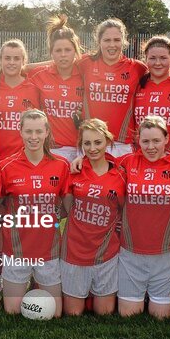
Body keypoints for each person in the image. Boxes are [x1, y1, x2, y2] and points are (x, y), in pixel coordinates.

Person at [0, 109, 68, 316]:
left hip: (48, 250)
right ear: (20, 132)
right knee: (12, 311)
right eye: (28, 131)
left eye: (38, 131)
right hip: (17, 250)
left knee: (55, 313)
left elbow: (68, 206)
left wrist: (50, 218)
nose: (33, 137)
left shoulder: (61, 165)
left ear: (46, 132)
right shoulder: (6, 166)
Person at [117, 116, 170, 319]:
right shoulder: (126, 162)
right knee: (128, 314)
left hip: (167, 252)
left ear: (167, 139)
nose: (151, 147)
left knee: (161, 317)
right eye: (145, 141)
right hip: (131, 251)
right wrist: (79, 160)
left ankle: (156, 296)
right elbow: (98, 162)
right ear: (138, 141)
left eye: (156, 141)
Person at [60, 119, 125, 316]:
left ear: (108, 142)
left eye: (98, 142)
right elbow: (68, 209)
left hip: (106, 253)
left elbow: (122, 211)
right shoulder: (74, 171)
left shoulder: (120, 174)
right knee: (73, 314)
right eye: (87, 143)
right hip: (75, 251)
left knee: (104, 313)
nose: (92, 148)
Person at [78, 18, 146, 157]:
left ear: (124, 41)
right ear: (99, 42)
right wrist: (24, 68)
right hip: (90, 143)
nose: (112, 45)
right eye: (107, 40)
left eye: (116, 40)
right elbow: (59, 63)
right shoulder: (86, 62)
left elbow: (162, 76)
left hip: (122, 145)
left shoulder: (137, 67)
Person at [28, 15, 85, 161]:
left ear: (76, 50)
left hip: (83, 150)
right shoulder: (40, 74)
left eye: (68, 50)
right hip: (53, 149)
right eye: (58, 51)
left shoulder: (86, 74)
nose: (63, 55)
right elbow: (16, 70)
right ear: (51, 52)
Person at [0, 39, 40, 160]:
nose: (11, 62)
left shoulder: (35, 89)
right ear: (0, 60)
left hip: (26, 160)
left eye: (17, 59)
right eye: (7, 58)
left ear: (24, 61)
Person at [133, 36, 170, 154]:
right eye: (152, 58)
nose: (158, 63)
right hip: (140, 159)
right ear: (146, 60)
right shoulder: (136, 86)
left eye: (163, 58)